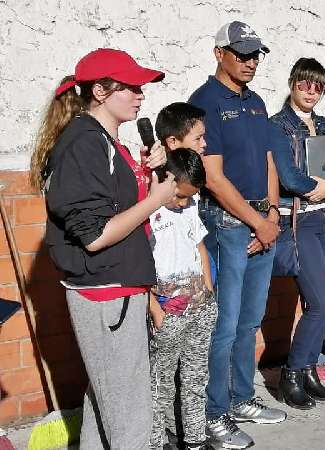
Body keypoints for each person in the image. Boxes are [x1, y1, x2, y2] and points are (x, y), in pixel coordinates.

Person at [31, 48, 174, 449]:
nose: (139, 94)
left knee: (105, 401)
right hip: (106, 293)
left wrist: (145, 175)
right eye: (129, 87)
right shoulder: (85, 144)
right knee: (130, 415)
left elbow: (113, 207)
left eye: (140, 87)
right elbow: (94, 235)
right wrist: (155, 198)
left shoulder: (105, 141)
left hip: (118, 288)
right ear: (99, 91)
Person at [189, 21, 286, 449]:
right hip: (226, 225)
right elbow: (212, 177)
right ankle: (213, 413)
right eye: (241, 54)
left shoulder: (258, 102)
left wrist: (273, 214)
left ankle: (241, 398)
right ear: (219, 54)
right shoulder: (205, 102)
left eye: (254, 55)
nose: (249, 62)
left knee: (249, 320)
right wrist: (256, 222)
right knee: (224, 326)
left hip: (259, 221)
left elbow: (267, 159)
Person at [269, 58, 325, 408]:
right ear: (292, 83)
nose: (311, 91)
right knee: (320, 302)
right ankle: (292, 373)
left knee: (321, 301)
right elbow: (287, 176)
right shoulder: (277, 126)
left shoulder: (324, 124)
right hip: (298, 220)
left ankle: (307, 370)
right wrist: (318, 189)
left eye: (318, 86)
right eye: (305, 84)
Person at [147, 149, 215, 450]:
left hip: (200, 307)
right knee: (160, 385)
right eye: (180, 196)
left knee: (195, 379)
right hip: (168, 312)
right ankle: (157, 442)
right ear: (166, 180)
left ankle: (196, 440)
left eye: (190, 197)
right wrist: (155, 311)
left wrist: (208, 292)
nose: (184, 202)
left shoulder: (190, 205)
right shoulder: (148, 211)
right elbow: (138, 267)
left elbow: (199, 247)